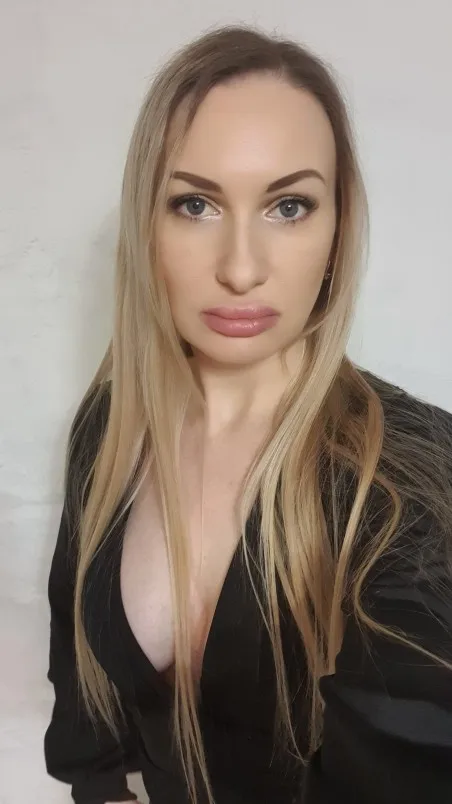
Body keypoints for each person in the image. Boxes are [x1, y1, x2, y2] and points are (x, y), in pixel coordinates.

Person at [43, 23, 452, 804]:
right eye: (194, 204)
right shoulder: (110, 429)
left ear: (337, 231)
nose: (240, 267)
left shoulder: (415, 469)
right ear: (146, 224)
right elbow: (82, 695)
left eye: (288, 206)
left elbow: (413, 750)